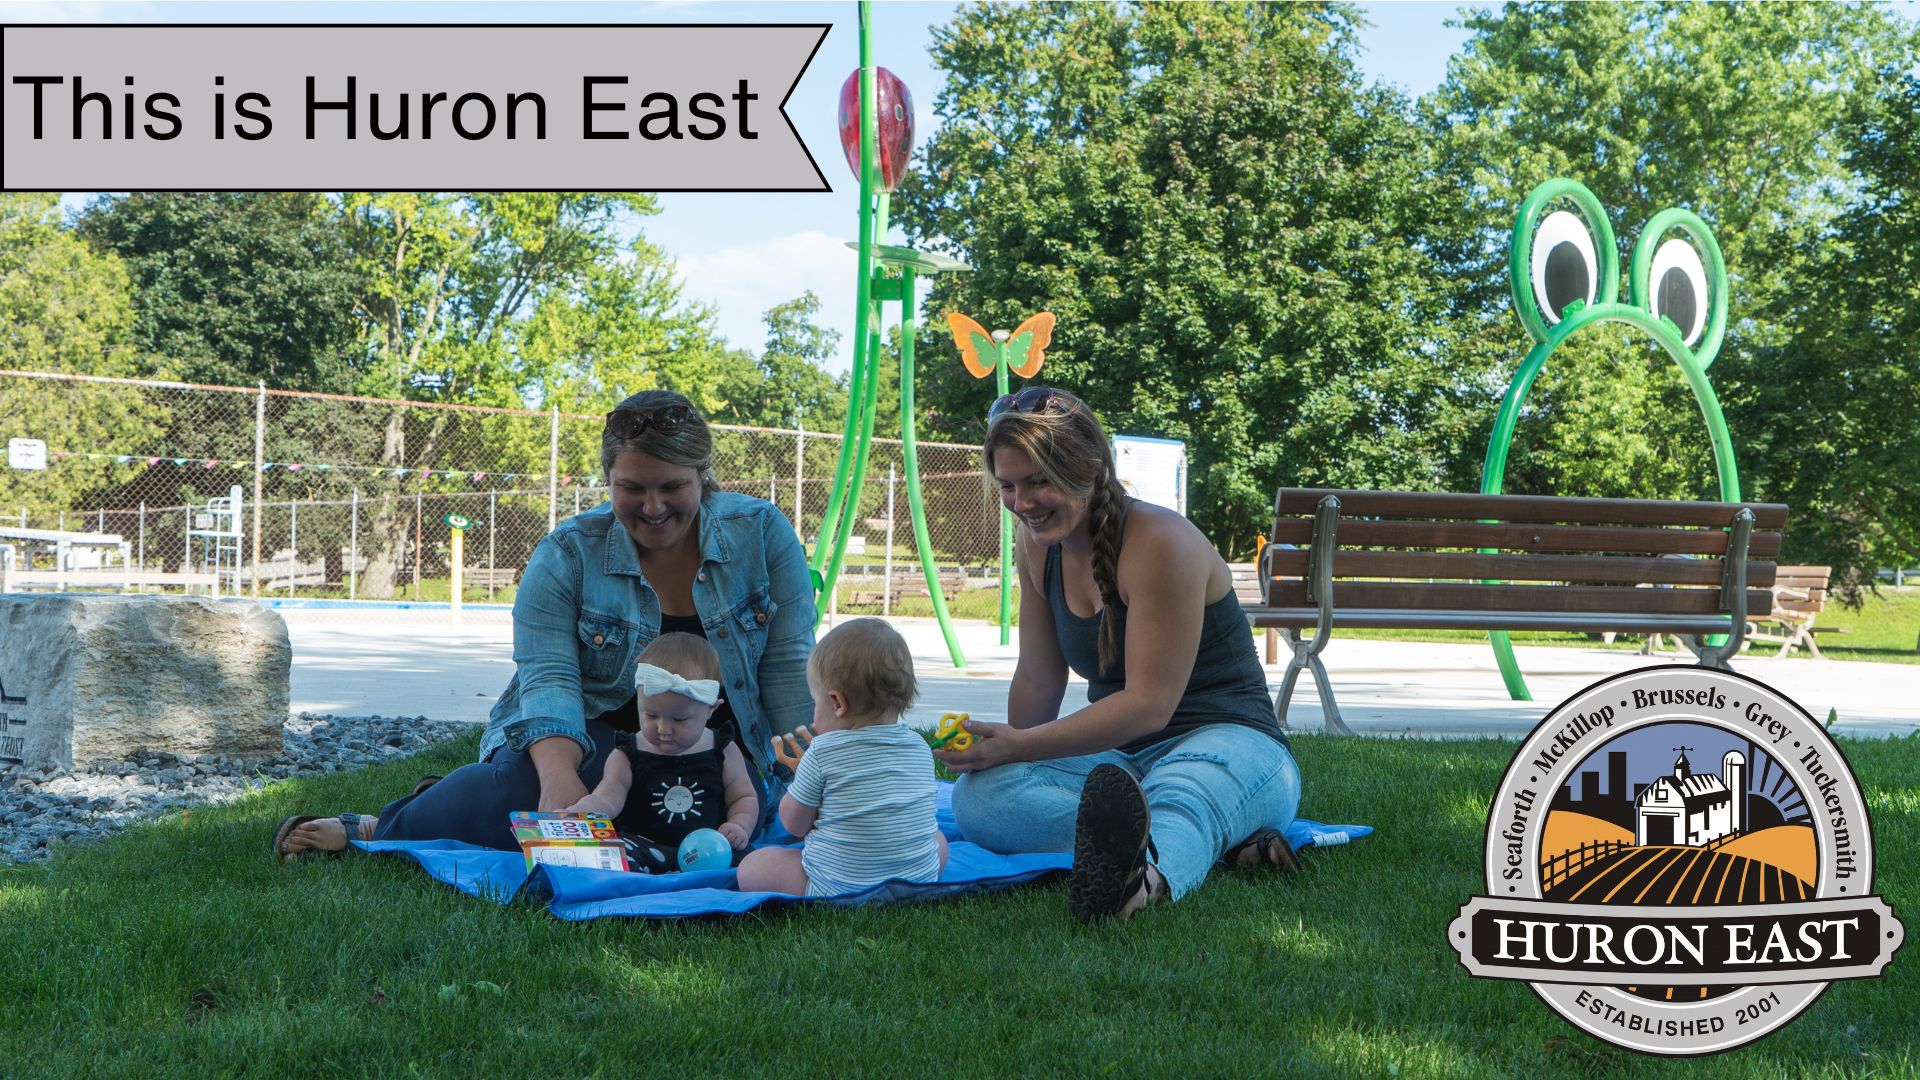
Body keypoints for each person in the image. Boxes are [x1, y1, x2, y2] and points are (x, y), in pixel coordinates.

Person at [274, 390, 814, 860]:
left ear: (704, 477)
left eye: (672, 486)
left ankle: (471, 803)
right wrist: (556, 782)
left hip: (714, 749)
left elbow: (788, 668)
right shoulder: (566, 553)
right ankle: (382, 826)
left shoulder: (762, 535)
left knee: (708, 812)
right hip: (595, 739)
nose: (653, 507)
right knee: (541, 801)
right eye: (632, 488)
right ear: (608, 479)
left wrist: (811, 775)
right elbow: (548, 676)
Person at [939, 386, 1302, 921]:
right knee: (980, 798)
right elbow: (1039, 677)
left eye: (1039, 481)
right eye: (1009, 486)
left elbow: (1148, 705)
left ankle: (1142, 884)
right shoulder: (1035, 545)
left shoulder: (1162, 542)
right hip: (1122, 758)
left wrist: (1024, 746)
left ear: (1089, 468)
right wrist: (1010, 751)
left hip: (1231, 745)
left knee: (1184, 795)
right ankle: (1203, 841)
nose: (1023, 503)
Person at [736, 618, 949, 896]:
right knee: (938, 840)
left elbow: (793, 825)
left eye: (816, 702)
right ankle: (912, 870)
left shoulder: (822, 752)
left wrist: (802, 780)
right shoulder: (919, 746)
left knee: (751, 867)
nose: (814, 712)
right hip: (916, 880)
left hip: (837, 887)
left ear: (837, 703)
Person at [561, 634, 758, 872]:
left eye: (680, 719)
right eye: (651, 715)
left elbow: (743, 798)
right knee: (616, 853)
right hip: (644, 845)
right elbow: (607, 797)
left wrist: (739, 825)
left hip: (708, 849)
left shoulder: (723, 749)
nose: (663, 729)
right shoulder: (627, 753)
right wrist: (583, 810)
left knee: (752, 863)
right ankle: (642, 879)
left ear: (710, 709)